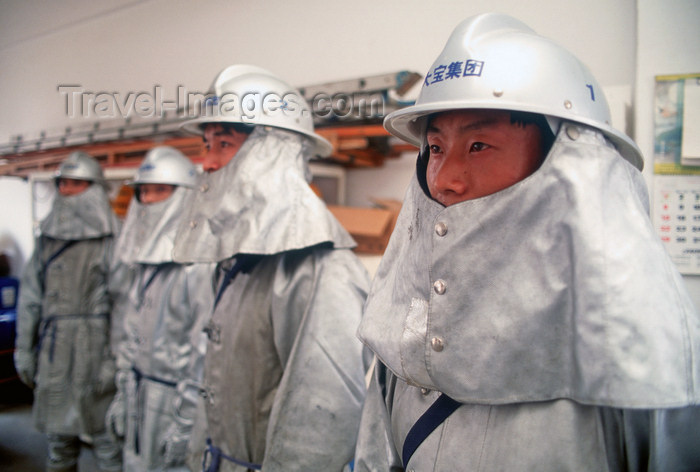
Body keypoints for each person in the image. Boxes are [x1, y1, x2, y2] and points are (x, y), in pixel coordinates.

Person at [354, 13, 700, 471]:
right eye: (435, 149)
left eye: (479, 145)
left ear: (565, 169)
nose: (443, 180)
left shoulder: (644, 356)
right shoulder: (408, 327)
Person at [171, 65, 371, 471]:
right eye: (206, 144)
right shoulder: (235, 260)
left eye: (223, 144)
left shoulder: (320, 268)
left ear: (272, 153)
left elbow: (322, 421)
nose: (206, 163)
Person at [105, 146, 215, 471]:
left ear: (185, 196)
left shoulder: (198, 263)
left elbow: (203, 351)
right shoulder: (141, 261)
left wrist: (186, 421)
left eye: (160, 190)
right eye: (144, 191)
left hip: (174, 401)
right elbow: (130, 330)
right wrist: (123, 392)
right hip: (138, 392)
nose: (149, 200)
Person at [14, 151, 123, 472]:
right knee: (59, 443)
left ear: (94, 188)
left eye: (76, 183)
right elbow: (30, 297)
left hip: (97, 347)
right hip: (55, 350)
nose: (66, 190)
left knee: (107, 441)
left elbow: (125, 304)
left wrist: (115, 358)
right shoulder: (46, 239)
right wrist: (23, 349)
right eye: (63, 183)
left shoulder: (114, 237)